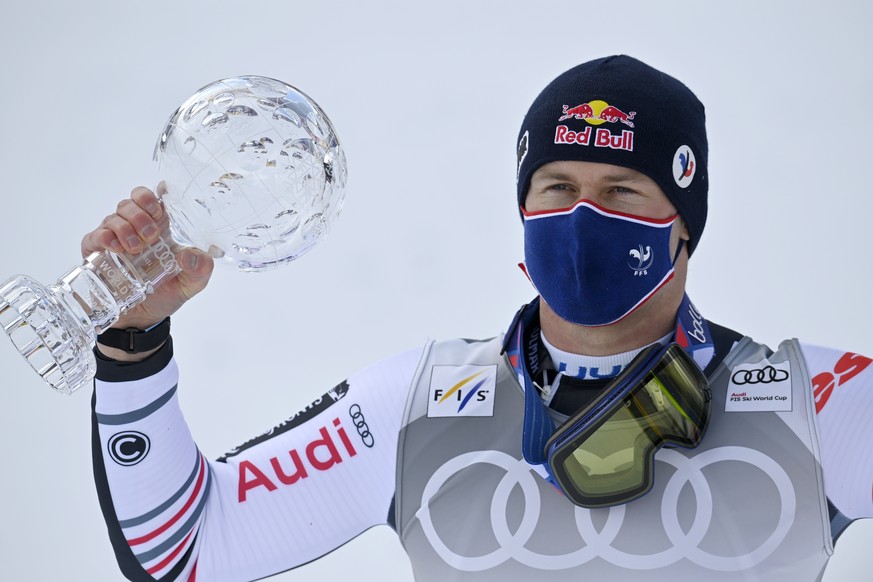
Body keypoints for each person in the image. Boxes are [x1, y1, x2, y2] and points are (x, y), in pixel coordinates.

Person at [85, 56, 873, 581]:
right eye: (556, 188)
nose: (582, 216)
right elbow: (182, 548)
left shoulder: (813, 400)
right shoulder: (415, 402)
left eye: (622, 192)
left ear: (683, 223)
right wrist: (132, 346)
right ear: (523, 210)